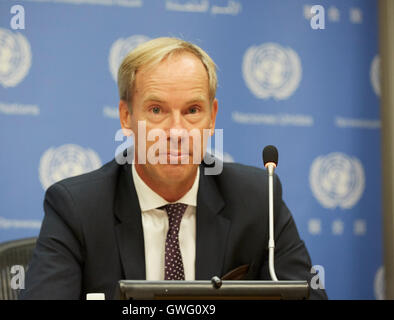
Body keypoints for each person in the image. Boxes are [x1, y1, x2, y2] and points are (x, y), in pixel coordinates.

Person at [21, 37, 327, 300]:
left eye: (192, 110)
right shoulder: (77, 208)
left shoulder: (259, 198)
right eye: (156, 110)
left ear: (212, 117)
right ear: (126, 117)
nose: (176, 131)